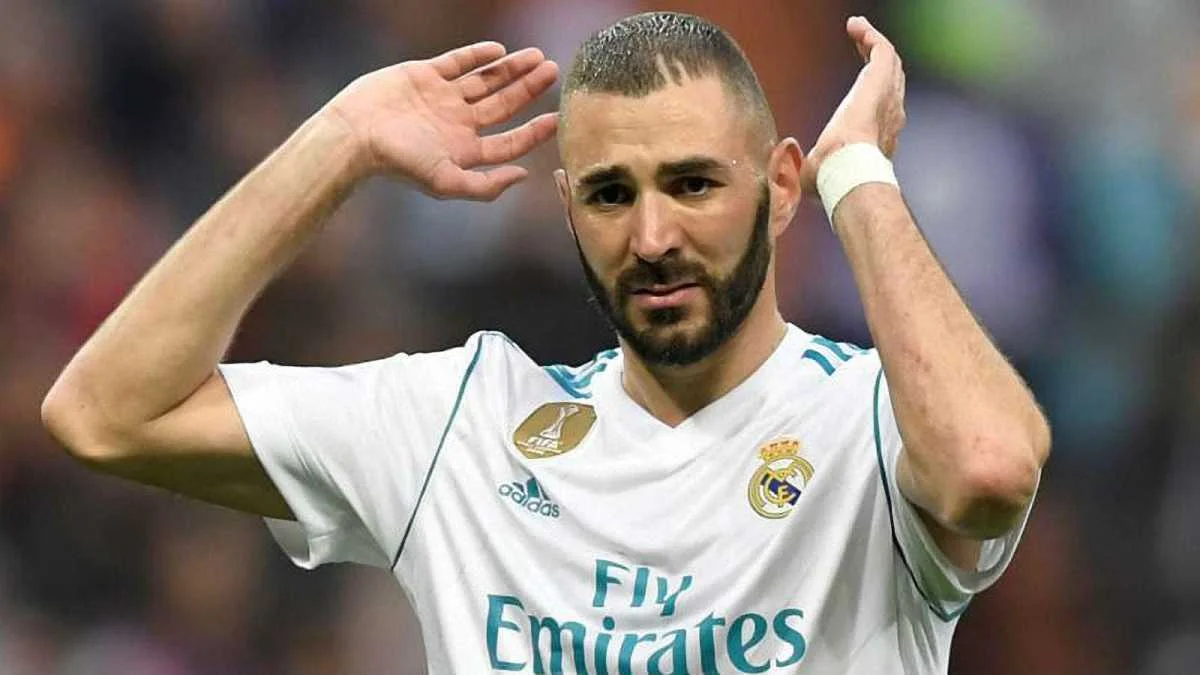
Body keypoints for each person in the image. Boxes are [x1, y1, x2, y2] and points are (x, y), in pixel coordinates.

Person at [41, 11, 1050, 674]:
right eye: (611, 194)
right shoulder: (466, 426)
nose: (651, 236)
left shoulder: (872, 420)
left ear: (780, 186)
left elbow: (990, 467)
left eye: (693, 183)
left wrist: (858, 176)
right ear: (568, 209)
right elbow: (106, 411)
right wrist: (337, 143)